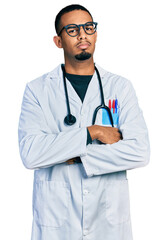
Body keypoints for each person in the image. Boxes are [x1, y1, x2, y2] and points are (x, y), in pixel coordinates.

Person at [18, 4, 150, 240]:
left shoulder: (120, 87)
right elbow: (31, 154)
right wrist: (93, 132)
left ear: (95, 34)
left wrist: (70, 155)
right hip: (57, 222)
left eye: (88, 27)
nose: (82, 35)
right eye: (71, 29)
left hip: (108, 223)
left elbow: (140, 152)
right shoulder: (38, 90)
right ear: (58, 41)